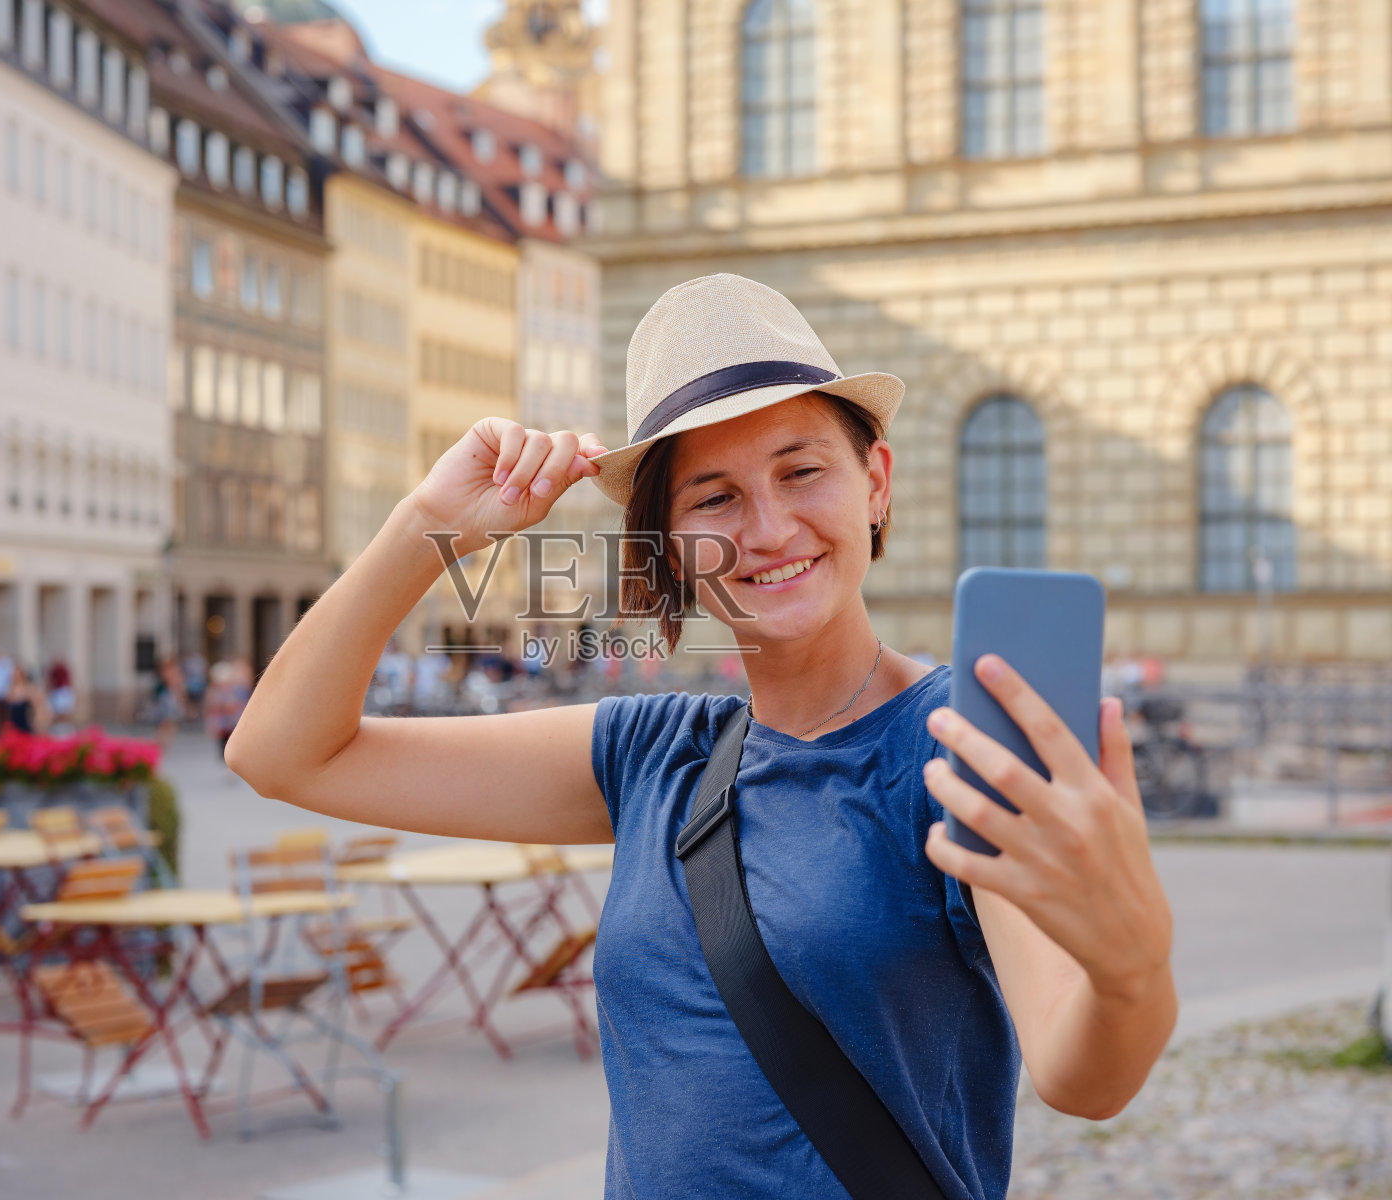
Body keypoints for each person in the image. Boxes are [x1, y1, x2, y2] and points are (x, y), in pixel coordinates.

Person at [225, 275, 1177, 1199]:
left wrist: (1130, 971)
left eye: (802, 471)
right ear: (667, 546)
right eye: (714, 497)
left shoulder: (956, 755)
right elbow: (281, 753)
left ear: (875, 482)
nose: (768, 528)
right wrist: (428, 526)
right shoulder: (649, 755)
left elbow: (1080, 1076)